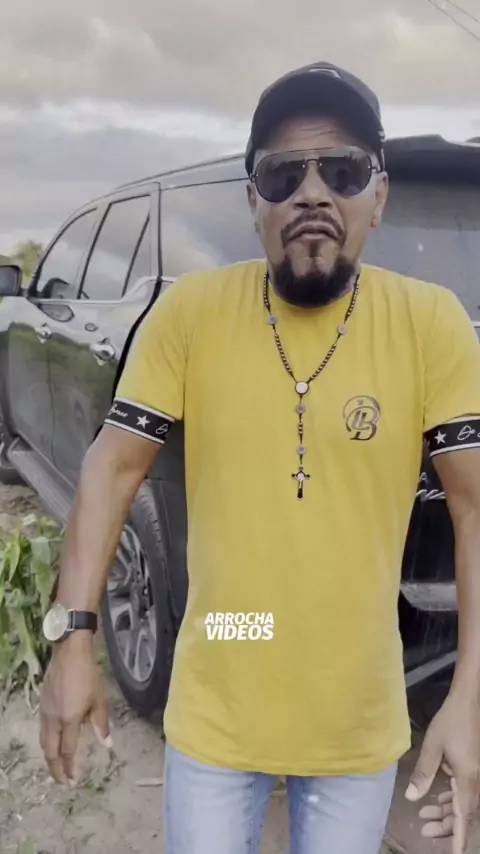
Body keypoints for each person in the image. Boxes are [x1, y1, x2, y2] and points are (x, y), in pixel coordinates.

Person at [39, 62, 480, 854]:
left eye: (343, 170)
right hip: (221, 688)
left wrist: (470, 695)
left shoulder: (431, 324)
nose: (313, 193)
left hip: (358, 717)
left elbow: (473, 506)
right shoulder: (190, 314)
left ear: (378, 197)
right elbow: (112, 466)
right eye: (283, 174)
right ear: (254, 202)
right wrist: (72, 637)